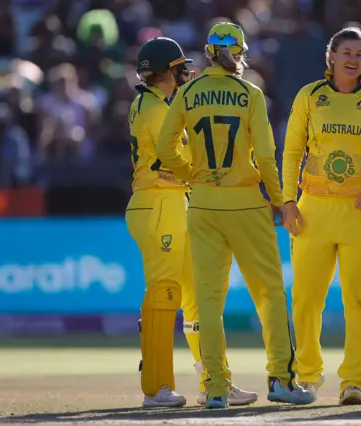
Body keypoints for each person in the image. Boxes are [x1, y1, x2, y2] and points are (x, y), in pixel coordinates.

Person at [155, 22, 315, 409]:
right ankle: (281, 379)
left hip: (204, 202)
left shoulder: (187, 92)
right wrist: (280, 200)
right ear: (239, 54)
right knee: (271, 295)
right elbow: (264, 156)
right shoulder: (250, 93)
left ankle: (215, 388)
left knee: (209, 302)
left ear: (208, 54)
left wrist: (191, 173)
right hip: (245, 203)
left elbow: (164, 146)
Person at [125, 36, 256, 408]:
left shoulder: (150, 103)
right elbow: (183, 155)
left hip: (170, 201)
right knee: (164, 291)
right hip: (158, 202)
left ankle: (214, 380)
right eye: (180, 67)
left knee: (197, 297)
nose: (186, 73)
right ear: (168, 71)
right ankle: (156, 387)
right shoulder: (156, 109)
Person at [282, 27, 361, 405]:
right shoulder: (310, 96)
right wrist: (288, 201)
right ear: (331, 57)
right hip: (313, 209)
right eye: (347, 52)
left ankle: (355, 382)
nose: (354, 59)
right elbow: (291, 152)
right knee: (306, 300)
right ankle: (307, 377)